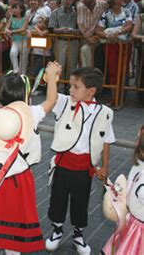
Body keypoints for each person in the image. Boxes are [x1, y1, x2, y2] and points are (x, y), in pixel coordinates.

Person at [0, 62, 62, 255]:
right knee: (14, 228)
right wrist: (51, 77)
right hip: (19, 182)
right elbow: (51, 101)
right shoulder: (30, 115)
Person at [45, 67, 116, 255]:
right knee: (58, 199)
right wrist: (51, 77)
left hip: (85, 167)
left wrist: (105, 166)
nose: (71, 90)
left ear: (91, 91)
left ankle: (78, 233)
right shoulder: (64, 103)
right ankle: (57, 230)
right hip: (63, 164)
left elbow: (107, 140)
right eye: (70, 85)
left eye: (76, 86)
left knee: (81, 201)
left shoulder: (105, 112)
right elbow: (52, 97)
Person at [102, 126, 144, 255]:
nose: (136, 141)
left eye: (139, 139)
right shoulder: (139, 165)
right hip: (133, 222)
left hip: (139, 231)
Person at [95, 0, 133, 88]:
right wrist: (108, 36)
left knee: (123, 69)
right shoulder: (106, 13)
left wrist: (117, 32)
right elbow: (98, 30)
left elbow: (129, 26)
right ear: (115, 0)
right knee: (112, 69)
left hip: (125, 44)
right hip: (110, 45)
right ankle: (113, 94)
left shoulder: (127, 11)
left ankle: (121, 94)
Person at [48, 0, 79, 92]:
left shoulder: (77, 12)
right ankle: (60, 89)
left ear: (73, 0)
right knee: (60, 65)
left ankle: (71, 88)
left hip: (74, 41)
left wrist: (76, 31)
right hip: (60, 41)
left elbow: (81, 27)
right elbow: (51, 28)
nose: (65, 1)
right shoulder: (55, 12)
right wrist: (60, 30)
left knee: (72, 66)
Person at [77, 0, 108, 68]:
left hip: (100, 38)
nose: (83, 0)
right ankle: (87, 75)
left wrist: (99, 35)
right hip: (85, 38)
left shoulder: (103, 5)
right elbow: (80, 24)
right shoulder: (80, 6)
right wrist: (88, 38)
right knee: (84, 52)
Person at [5, 2, 29, 74]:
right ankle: (16, 71)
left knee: (23, 59)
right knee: (12, 53)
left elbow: (23, 28)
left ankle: (23, 75)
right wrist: (6, 30)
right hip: (15, 40)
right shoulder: (12, 17)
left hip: (24, 41)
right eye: (13, 8)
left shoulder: (26, 17)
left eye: (16, 8)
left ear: (21, 9)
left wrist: (12, 31)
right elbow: (7, 26)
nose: (14, 10)